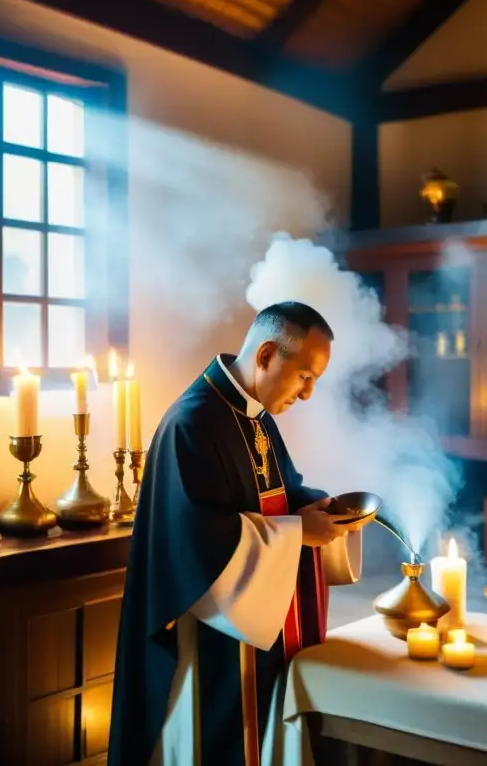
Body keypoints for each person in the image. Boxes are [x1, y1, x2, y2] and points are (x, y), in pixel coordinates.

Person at [107, 301, 363, 766]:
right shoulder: (192, 422)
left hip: (256, 633)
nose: (307, 395)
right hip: (212, 639)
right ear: (266, 355)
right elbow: (198, 543)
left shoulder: (257, 419)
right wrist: (296, 533)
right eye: (305, 376)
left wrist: (320, 509)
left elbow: (278, 494)